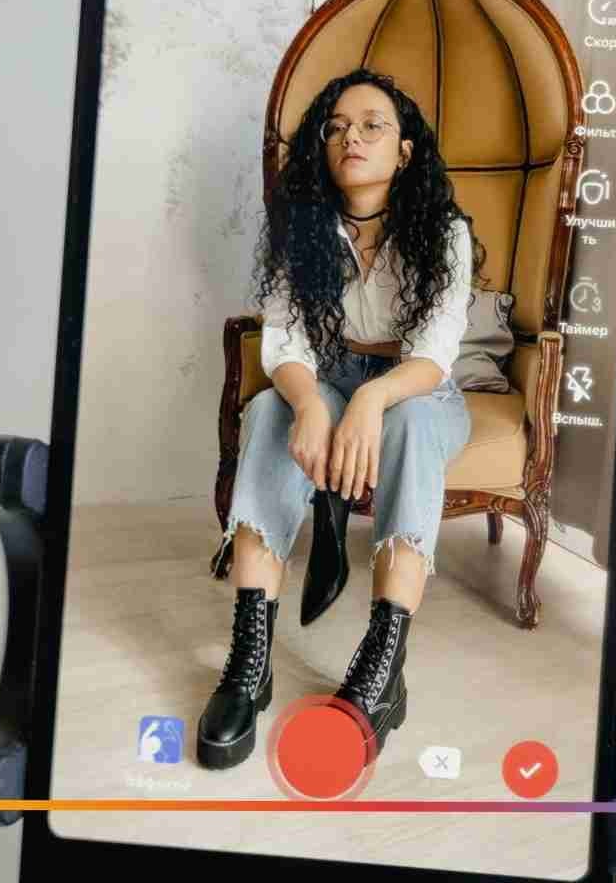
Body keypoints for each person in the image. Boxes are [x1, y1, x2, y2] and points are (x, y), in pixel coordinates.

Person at [196, 67, 477, 771]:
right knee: (265, 409)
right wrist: (314, 401)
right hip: (328, 372)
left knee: (408, 423)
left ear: (405, 149)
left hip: (419, 389)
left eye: (373, 124)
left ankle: (383, 666)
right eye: (336, 126)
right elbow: (286, 339)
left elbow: (435, 355)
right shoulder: (307, 229)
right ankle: (249, 658)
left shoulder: (443, 233)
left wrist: (374, 400)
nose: (352, 136)